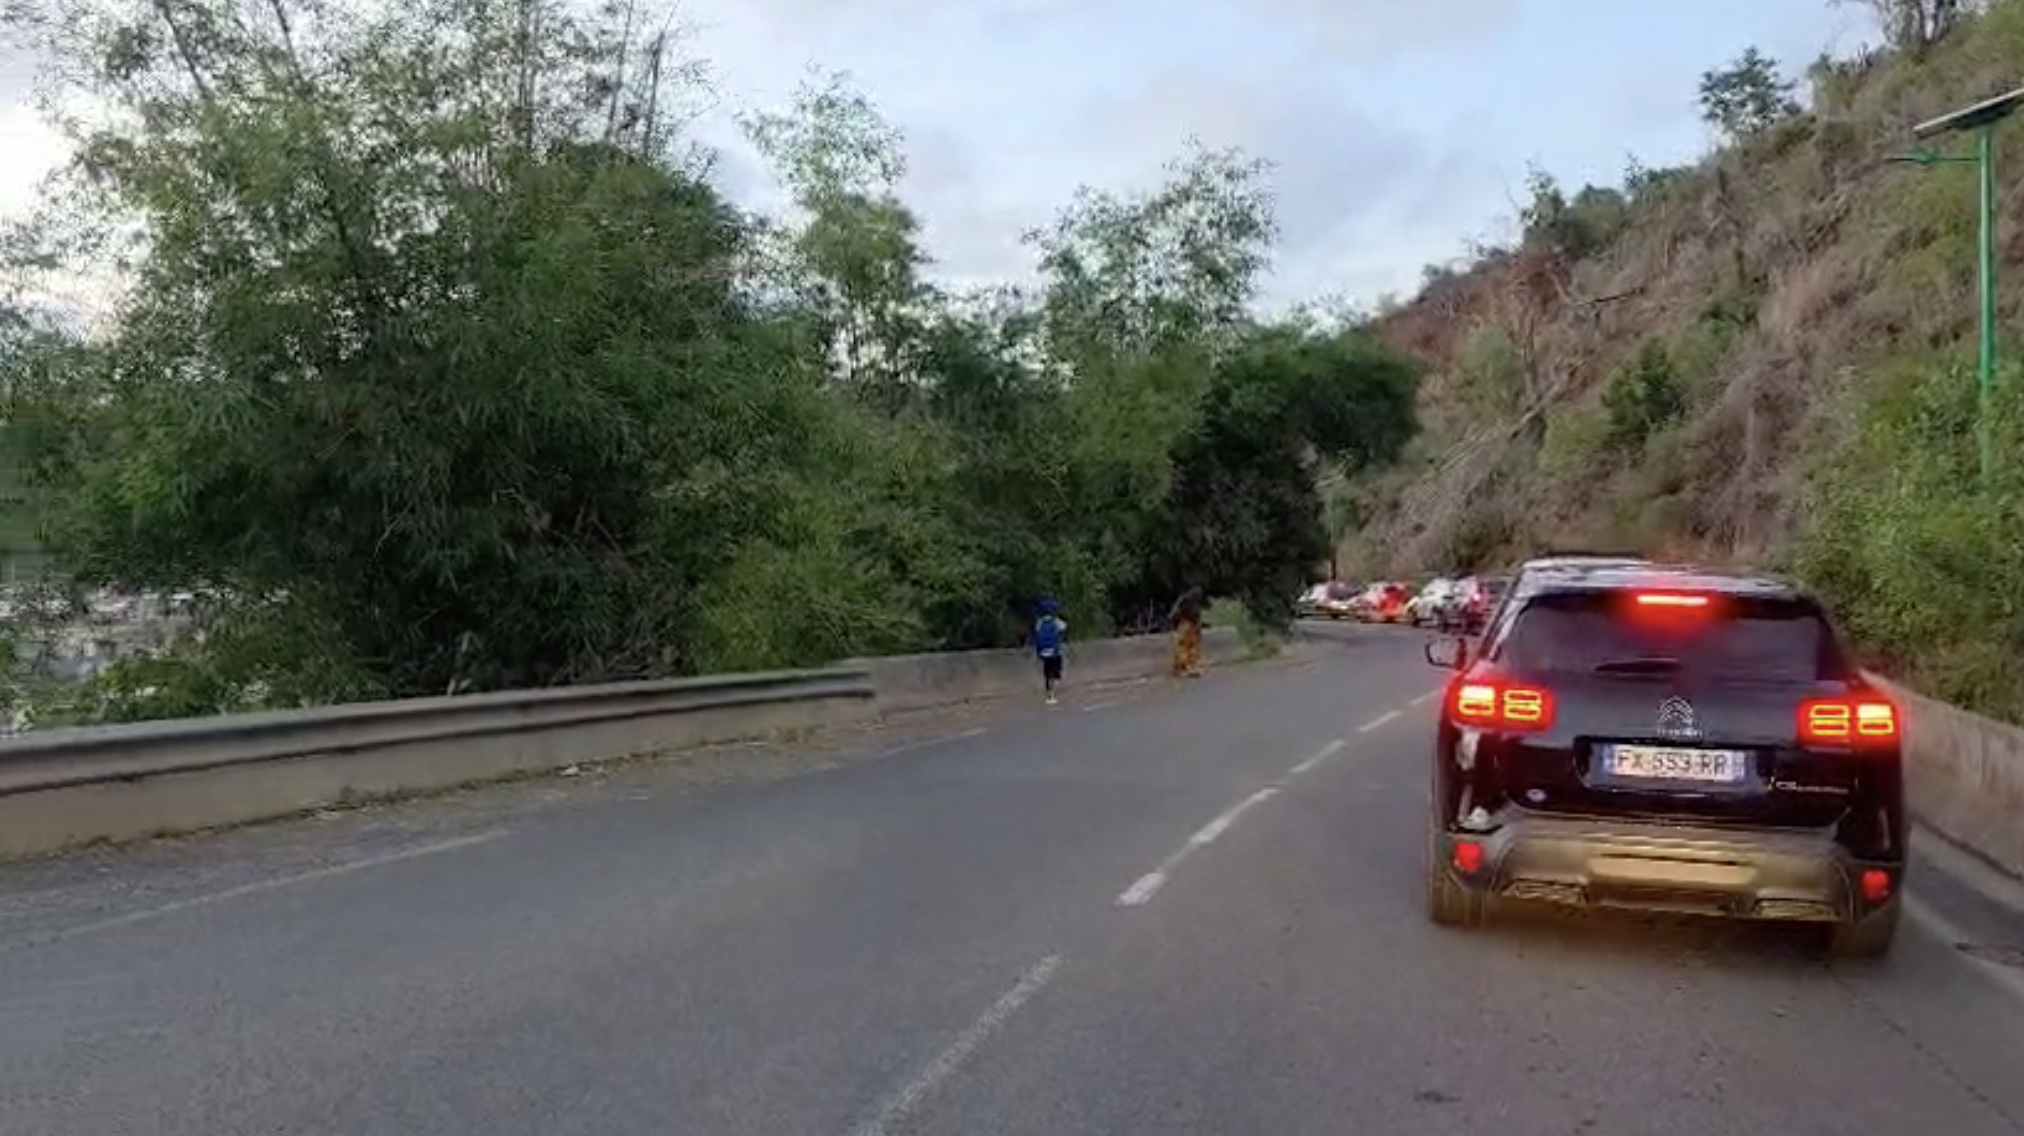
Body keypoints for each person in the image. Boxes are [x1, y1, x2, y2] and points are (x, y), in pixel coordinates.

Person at [1033, 598, 1068, 704]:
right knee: (1056, 665)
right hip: (1054, 652)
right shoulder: (1056, 621)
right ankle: (1051, 695)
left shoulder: (1039, 622)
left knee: (1047, 672)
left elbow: (1036, 633)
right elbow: (1064, 627)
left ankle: (1049, 690)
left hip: (1043, 652)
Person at [1169, 585, 1205, 678]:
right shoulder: (1186, 600)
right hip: (1186, 623)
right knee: (1184, 645)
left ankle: (1189, 667)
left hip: (1188, 624)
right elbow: (1175, 613)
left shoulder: (1187, 600)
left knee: (1190, 646)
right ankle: (1182, 668)